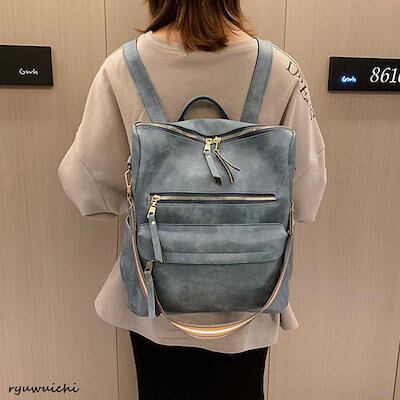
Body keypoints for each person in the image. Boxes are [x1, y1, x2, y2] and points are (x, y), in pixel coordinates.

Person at [57, 0, 327, 398]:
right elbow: (306, 194)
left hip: (156, 295)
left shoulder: (122, 67)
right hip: (251, 298)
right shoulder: (281, 69)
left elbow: (89, 187)